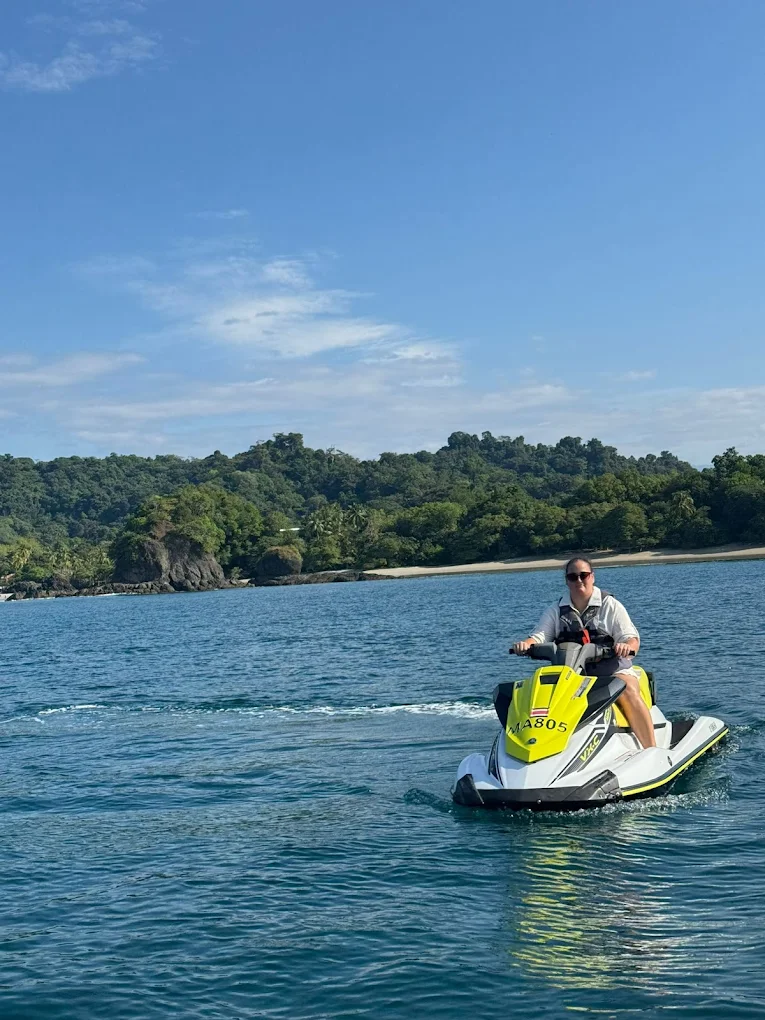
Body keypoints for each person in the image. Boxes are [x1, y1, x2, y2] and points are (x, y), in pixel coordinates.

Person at [512, 556, 656, 749]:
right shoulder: (556, 610)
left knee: (627, 688)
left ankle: (652, 748)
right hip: (572, 676)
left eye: (584, 575)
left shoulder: (610, 606)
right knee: (534, 693)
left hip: (612, 671)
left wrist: (626, 646)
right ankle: (536, 747)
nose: (579, 580)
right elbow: (539, 635)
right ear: (567, 581)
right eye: (573, 577)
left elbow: (631, 638)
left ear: (592, 577)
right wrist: (526, 644)